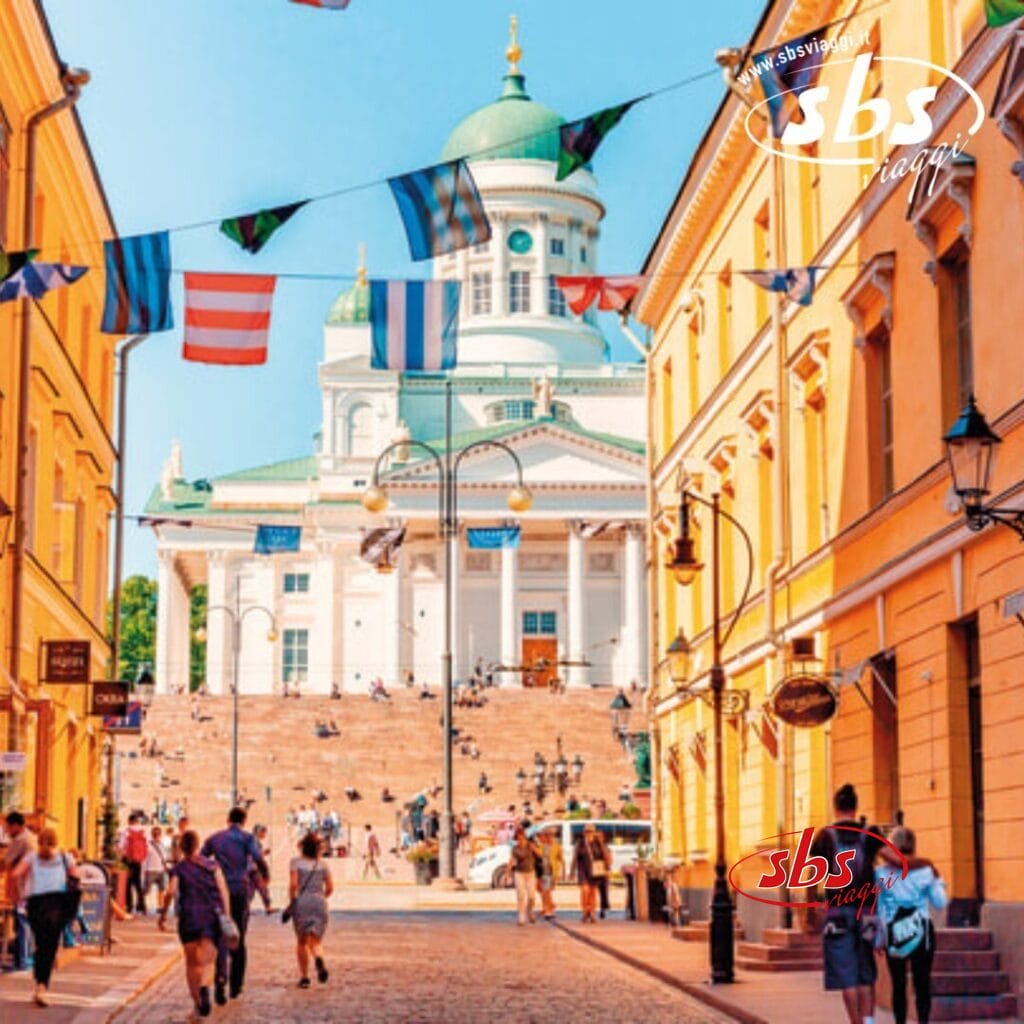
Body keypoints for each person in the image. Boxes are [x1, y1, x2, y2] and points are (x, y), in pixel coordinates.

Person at [809, 783, 885, 1024]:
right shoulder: (869, 834)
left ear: (836, 807)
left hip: (837, 913)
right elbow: (894, 859)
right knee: (866, 971)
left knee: (847, 975)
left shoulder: (825, 836)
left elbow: (812, 875)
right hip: (866, 913)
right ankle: (870, 1021)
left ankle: (856, 1022)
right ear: (855, 807)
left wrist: (811, 907)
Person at [159, 829, 231, 1020]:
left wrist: (163, 914)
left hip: (189, 917)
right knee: (208, 961)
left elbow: (171, 891)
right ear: (198, 845)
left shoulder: (180, 868)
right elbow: (224, 892)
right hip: (210, 917)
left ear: (181, 847)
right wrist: (228, 916)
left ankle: (198, 1004)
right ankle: (206, 990)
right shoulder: (213, 866)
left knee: (192, 964)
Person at [877, 827, 947, 1024]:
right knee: (922, 982)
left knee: (899, 985)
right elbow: (940, 902)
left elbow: (879, 909)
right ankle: (923, 1021)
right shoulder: (926, 871)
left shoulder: (882, 873)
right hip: (922, 929)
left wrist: (880, 936)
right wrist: (938, 881)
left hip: (895, 930)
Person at [201, 807, 268, 1003]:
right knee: (238, 936)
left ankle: (220, 980)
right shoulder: (247, 839)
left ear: (228, 819)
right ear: (244, 820)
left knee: (220, 936)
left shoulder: (215, 838)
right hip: (239, 890)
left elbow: (202, 858)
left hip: (219, 891)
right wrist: (265, 875)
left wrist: (212, 873)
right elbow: (258, 858)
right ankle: (236, 985)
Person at [11, 828, 79, 1007]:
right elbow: (76, 876)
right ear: (56, 841)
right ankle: (42, 986)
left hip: (36, 904)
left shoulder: (32, 857)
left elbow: (16, 873)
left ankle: (39, 984)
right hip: (57, 903)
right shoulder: (65, 857)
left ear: (39, 840)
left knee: (41, 944)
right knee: (50, 947)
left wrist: (20, 890)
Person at [289, 833, 333, 988]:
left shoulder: (296, 863)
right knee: (316, 939)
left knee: (302, 941)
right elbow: (330, 888)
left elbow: (294, 885)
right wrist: (321, 897)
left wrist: (293, 901)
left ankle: (305, 977)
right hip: (319, 902)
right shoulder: (323, 865)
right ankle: (319, 959)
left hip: (302, 902)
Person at [3, 811, 36, 972]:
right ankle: (26, 959)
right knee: (26, 923)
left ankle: (22, 961)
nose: (7, 830)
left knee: (22, 923)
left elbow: (6, 861)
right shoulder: (31, 837)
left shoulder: (21, 840)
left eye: (8, 827)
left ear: (16, 825)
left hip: (23, 888)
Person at [504, 826, 541, 926]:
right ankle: (521, 916)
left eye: (522, 837)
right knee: (520, 895)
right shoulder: (515, 848)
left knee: (532, 896)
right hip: (519, 873)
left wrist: (534, 849)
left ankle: (529, 911)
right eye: (518, 837)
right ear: (516, 838)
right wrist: (507, 874)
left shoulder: (530, 845)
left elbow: (540, 855)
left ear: (524, 837)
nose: (520, 839)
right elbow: (511, 861)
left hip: (530, 873)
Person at [573, 824, 607, 924]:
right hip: (583, 870)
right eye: (587, 832)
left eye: (591, 832)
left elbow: (603, 855)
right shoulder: (580, 843)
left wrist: (606, 868)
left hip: (595, 871)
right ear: (584, 833)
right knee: (585, 891)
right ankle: (584, 910)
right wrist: (572, 870)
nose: (589, 834)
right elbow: (575, 857)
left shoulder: (597, 843)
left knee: (592, 892)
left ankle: (591, 912)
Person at [121, 813, 150, 915]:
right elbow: (148, 848)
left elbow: (121, 846)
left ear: (129, 821)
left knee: (128, 884)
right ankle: (142, 906)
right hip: (138, 861)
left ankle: (129, 906)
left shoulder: (126, 831)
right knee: (138, 884)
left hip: (128, 860)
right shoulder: (143, 832)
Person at [537, 828, 562, 919]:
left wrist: (562, 872)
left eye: (550, 835)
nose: (548, 837)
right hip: (543, 871)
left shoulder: (556, 846)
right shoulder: (542, 846)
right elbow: (539, 858)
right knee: (545, 891)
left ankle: (549, 910)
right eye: (546, 835)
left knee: (547, 891)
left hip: (551, 872)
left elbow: (561, 859)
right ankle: (549, 908)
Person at [143, 824, 170, 907]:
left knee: (162, 889)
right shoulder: (148, 845)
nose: (156, 835)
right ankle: (143, 905)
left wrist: (166, 866)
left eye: (158, 833)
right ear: (152, 834)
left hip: (161, 870)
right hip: (150, 870)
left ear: (160, 834)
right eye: (155, 833)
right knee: (146, 890)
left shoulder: (162, 845)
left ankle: (160, 906)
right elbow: (145, 858)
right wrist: (144, 870)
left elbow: (165, 857)